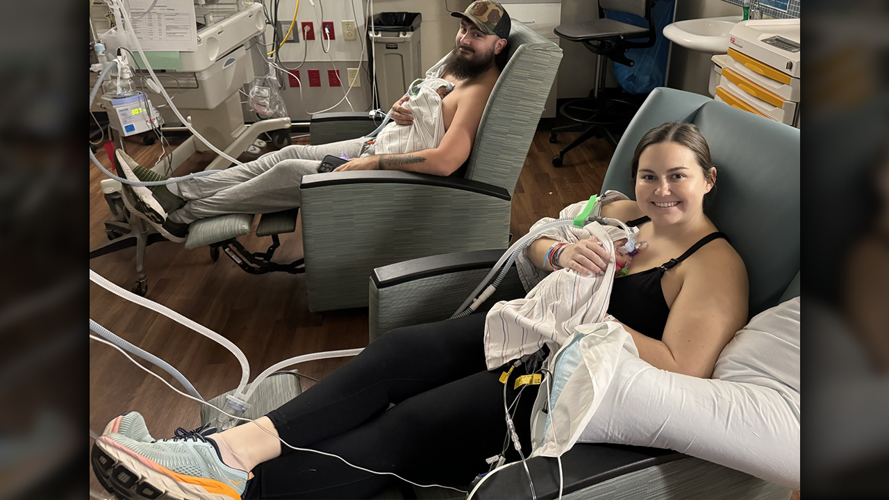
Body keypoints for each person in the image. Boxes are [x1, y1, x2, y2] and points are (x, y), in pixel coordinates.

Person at [91, 122, 748, 500]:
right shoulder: (627, 213)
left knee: (412, 421)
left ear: (708, 180)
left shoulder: (714, 268)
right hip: (535, 329)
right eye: (649, 175)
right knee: (396, 354)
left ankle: (240, 489)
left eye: (678, 176)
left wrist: (595, 319)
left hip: (570, 378)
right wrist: (560, 251)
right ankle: (221, 453)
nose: (661, 190)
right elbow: (546, 232)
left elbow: (682, 369)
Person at [118, 0, 512, 243]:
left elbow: (446, 161)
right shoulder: (458, 64)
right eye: (463, 28)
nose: (464, 38)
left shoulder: (479, 89)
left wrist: (373, 163)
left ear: (499, 45)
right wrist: (398, 109)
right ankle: (174, 189)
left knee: (288, 171)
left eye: (476, 35)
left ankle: (180, 216)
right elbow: (426, 104)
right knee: (284, 153)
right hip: (379, 145)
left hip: (392, 173)